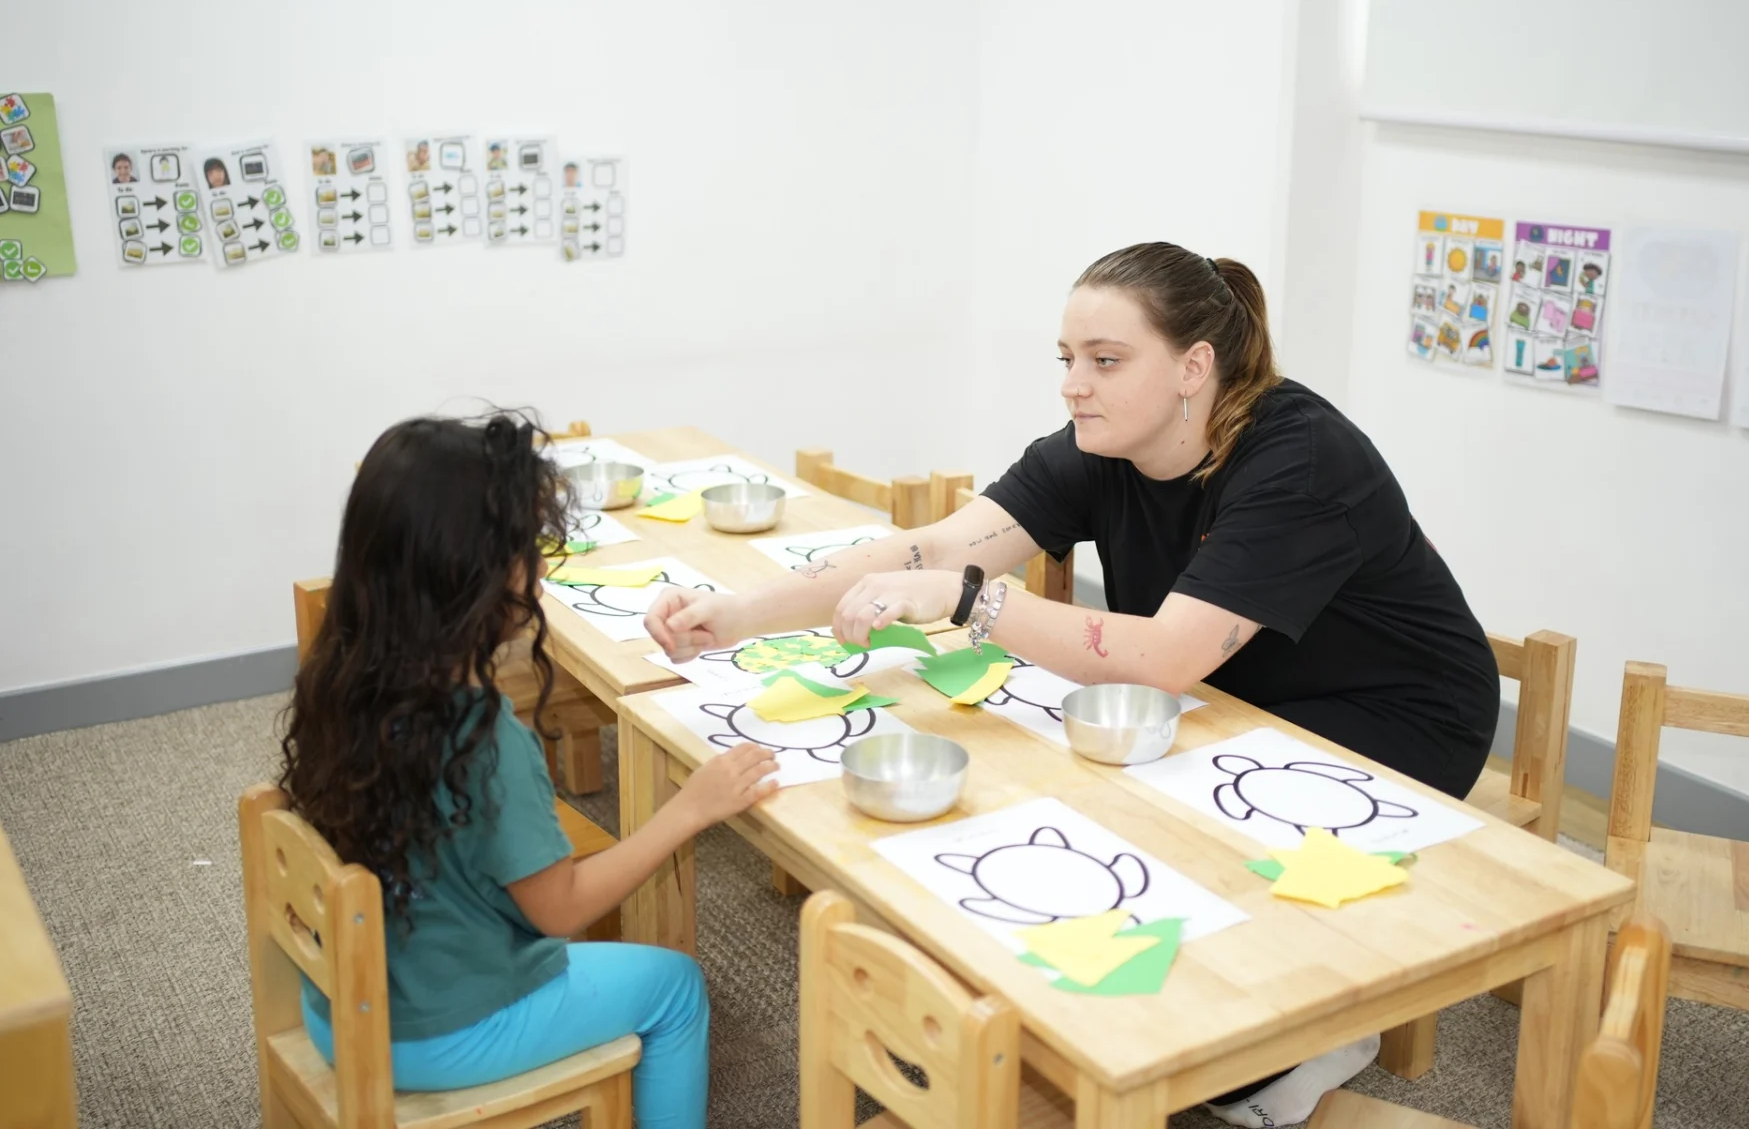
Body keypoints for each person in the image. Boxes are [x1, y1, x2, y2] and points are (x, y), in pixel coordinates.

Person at [646, 241, 1500, 1127]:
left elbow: (1162, 654)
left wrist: (971, 602)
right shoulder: (1102, 444)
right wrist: (740, 613)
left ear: (1193, 367)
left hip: (1396, 713)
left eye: (1105, 361)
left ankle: (1304, 1038)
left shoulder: (1303, 457)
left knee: (1183, 878)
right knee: (1110, 833)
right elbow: (935, 549)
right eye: (1067, 360)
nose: (1073, 384)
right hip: (1240, 691)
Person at [280, 411, 777, 1129]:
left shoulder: (340, 673)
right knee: (675, 987)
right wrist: (690, 809)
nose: (538, 568)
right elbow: (564, 909)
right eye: (525, 550)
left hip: (340, 1006)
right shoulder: (481, 734)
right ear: (470, 577)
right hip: (440, 1032)